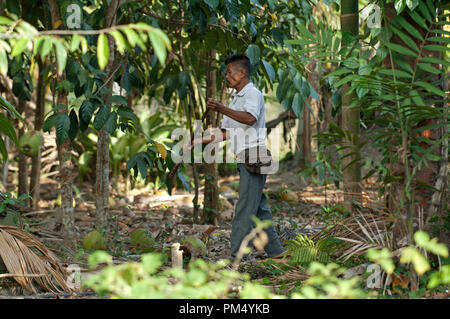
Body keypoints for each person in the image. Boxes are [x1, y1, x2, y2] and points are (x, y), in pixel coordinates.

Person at [185, 54, 284, 262]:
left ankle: (237, 258)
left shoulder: (252, 94)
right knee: (258, 208)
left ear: (242, 73)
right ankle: (276, 252)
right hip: (243, 158)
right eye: (226, 72)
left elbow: (250, 118)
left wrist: (221, 108)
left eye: (230, 72)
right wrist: (196, 141)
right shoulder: (235, 99)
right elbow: (224, 133)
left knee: (244, 210)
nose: (227, 76)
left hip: (254, 156)